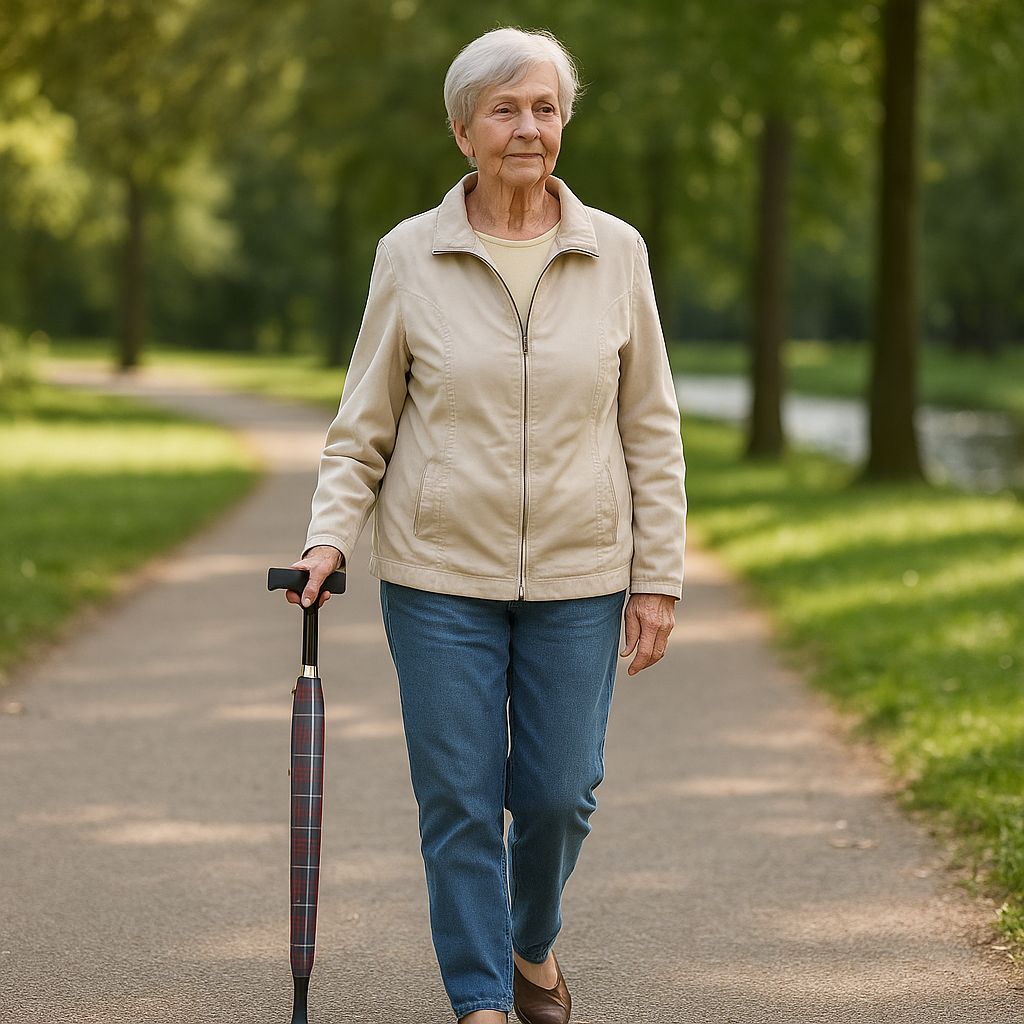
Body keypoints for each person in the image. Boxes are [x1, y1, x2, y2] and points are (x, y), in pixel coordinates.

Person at [285, 25, 687, 1024]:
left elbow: (651, 429)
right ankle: (480, 1002)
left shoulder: (615, 252)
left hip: (580, 575)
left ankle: (530, 945)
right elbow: (361, 427)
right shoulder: (410, 256)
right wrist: (329, 536)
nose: (528, 127)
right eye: (504, 109)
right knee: (460, 798)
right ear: (462, 129)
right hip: (438, 578)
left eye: (545, 107)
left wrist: (658, 573)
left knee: (558, 796)